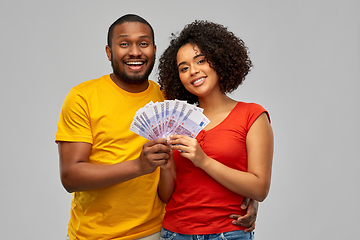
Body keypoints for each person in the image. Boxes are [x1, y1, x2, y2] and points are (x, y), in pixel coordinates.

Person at [56, 14, 257, 240]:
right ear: (109, 52)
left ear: (154, 49)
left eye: (143, 44)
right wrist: (138, 166)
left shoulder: (170, 100)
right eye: (124, 44)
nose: (135, 52)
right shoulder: (82, 97)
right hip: (93, 235)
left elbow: (210, 154)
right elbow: (70, 177)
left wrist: (248, 196)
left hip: (159, 232)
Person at [157, 20, 274, 240]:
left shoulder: (252, 116)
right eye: (183, 68)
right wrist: (165, 166)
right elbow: (167, 196)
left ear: (219, 60)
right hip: (175, 233)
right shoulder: (177, 123)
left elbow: (259, 189)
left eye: (200, 60)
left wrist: (203, 160)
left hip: (229, 234)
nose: (193, 71)